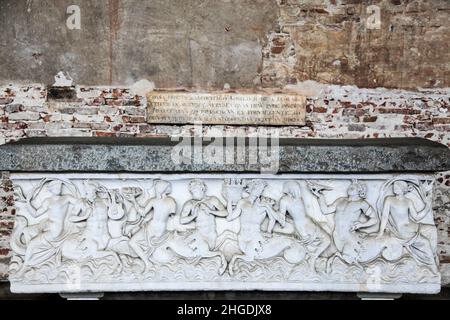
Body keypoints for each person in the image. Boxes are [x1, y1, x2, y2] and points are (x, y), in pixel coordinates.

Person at [378, 180, 436, 267]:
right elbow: (385, 216)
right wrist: (381, 232)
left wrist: (427, 207)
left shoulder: (408, 201)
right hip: (403, 231)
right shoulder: (389, 199)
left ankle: (434, 257)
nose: (394, 188)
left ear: (403, 189)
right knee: (426, 242)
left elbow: (416, 217)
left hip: (413, 226)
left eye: (397, 186)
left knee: (432, 229)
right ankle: (432, 265)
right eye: (394, 186)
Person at [129, 180, 176, 271]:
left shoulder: (154, 201)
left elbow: (142, 213)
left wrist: (133, 201)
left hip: (152, 228)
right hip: (162, 229)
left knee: (132, 242)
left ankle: (147, 262)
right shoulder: (172, 202)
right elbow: (172, 216)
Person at [180, 179, 228, 250]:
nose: (193, 193)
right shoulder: (189, 204)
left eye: (195, 190)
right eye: (192, 191)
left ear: (202, 188)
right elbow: (182, 220)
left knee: (209, 251)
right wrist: (193, 216)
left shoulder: (212, 200)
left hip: (211, 234)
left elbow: (225, 213)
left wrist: (211, 211)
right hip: (198, 233)